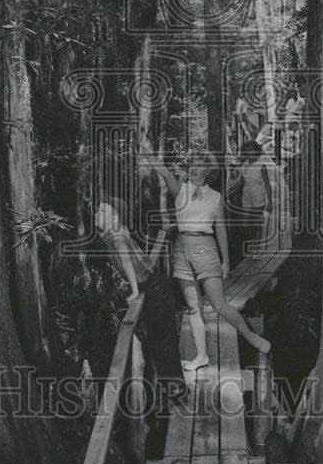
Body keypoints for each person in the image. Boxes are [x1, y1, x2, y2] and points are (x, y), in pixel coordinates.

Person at [139, 138, 270, 369]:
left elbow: (220, 229)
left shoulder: (216, 197)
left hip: (206, 248)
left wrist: (226, 260)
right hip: (181, 250)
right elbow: (164, 171)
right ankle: (201, 356)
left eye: (201, 163)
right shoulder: (181, 189)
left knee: (219, 305)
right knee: (193, 307)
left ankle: (250, 335)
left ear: (208, 170)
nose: (196, 167)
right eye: (193, 163)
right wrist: (147, 153)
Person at [95, 196, 186, 401]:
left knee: (163, 340)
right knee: (157, 340)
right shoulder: (118, 232)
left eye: (102, 211)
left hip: (155, 289)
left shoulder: (117, 237)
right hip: (155, 286)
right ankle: (169, 388)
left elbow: (126, 262)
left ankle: (176, 387)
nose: (95, 214)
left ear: (114, 217)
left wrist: (134, 291)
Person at [237, 140, 274, 259]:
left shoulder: (261, 166)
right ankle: (251, 244)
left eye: (252, 151)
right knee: (245, 224)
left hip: (258, 196)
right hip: (246, 196)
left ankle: (256, 250)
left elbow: (267, 184)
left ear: (257, 152)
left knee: (256, 224)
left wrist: (270, 202)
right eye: (247, 151)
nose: (249, 154)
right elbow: (241, 182)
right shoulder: (244, 166)